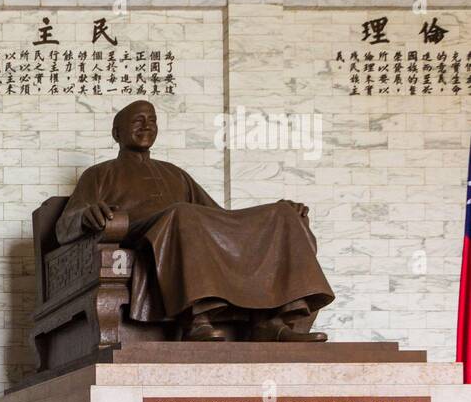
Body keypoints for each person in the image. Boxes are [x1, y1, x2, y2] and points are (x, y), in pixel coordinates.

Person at [55, 100, 335, 341]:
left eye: (152, 120)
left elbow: (218, 219)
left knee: (281, 214)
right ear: (117, 133)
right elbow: (63, 226)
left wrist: (269, 216)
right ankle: (196, 320)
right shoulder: (99, 174)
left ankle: (273, 321)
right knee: (183, 212)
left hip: (182, 226)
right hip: (140, 234)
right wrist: (85, 216)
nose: (146, 126)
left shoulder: (175, 174)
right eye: (137, 120)